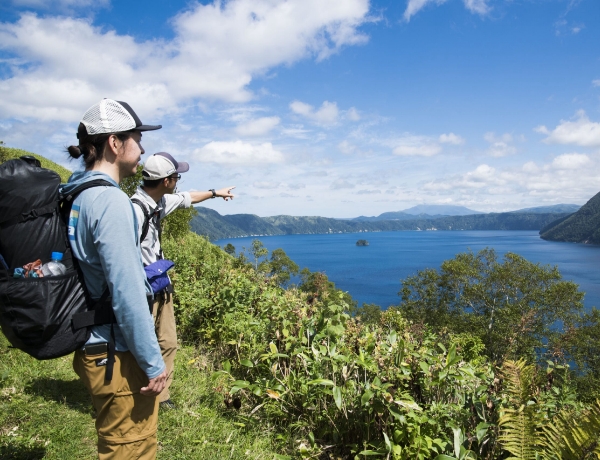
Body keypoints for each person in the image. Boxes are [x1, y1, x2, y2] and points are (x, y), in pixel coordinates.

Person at [63, 99, 167, 459]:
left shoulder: (78, 193)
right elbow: (127, 293)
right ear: (114, 143)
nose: (142, 149)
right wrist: (154, 363)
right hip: (115, 354)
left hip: (93, 343)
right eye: (138, 139)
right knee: (131, 449)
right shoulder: (110, 202)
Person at [130, 152, 235, 409]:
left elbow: (189, 198)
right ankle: (132, 394)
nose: (179, 181)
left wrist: (215, 192)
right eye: (177, 176)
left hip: (160, 283)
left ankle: (161, 396)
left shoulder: (159, 202)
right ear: (167, 180)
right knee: (138, 343)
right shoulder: (134, 210)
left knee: (168, 341)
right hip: (140, 289)